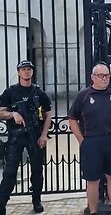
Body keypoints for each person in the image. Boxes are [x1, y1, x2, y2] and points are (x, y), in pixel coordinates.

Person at [68, 63, 111, 215]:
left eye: (107, 75)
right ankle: (93, 211)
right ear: (92, 77)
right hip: (92, 141)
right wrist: (82, 140)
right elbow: (72, 119)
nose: (104, 78)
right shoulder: (84, 95)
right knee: (93, 179)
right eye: (101, 75)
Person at [0, 60, 52, 214]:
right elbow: (1, 111)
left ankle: (37, 200)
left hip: (35, 136)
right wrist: (13, 114)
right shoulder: (10, 92)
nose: (26, 72)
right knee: (9, 172)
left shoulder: (38, 92)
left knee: (37, 171)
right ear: (18, 72)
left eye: (29, 69)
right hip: (16, 137)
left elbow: (48, 113)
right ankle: (2, 203)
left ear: (32, 72)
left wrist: (43, 134)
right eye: (23, 69)